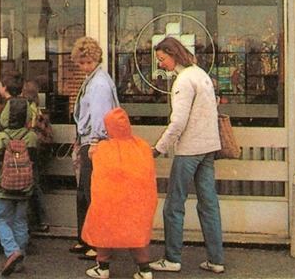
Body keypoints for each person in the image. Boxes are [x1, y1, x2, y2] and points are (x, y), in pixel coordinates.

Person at [149, 37, 225, 274]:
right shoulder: (200, 73)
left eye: (162, 59)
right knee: (208, 204)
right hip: (208, 147)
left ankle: (172, 258)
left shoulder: (182, 81)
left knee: (173, 205)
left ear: (173, 54)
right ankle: (216, 260)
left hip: (189, 150)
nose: (160, 65)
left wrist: (158, 148)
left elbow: (178, 122)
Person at [82, 107, 157, 279]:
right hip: (135, 203)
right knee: (135, 233)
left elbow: (97, 169)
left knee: (104, 228)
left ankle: (103, 267)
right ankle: (144, 269)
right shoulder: (142, 146)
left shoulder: (103, 148)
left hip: (110, 202)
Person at [70, 37, 119, 260]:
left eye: (84, 63)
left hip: (94, 142)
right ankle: (86, 238)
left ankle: (94, 241)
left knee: (90, 193)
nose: (81, 67)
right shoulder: (96, 79)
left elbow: (100, 116)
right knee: (85, 191)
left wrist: (95, 141)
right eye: (80, 63)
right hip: (88, 139)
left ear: (92, 59)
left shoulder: (98, 83)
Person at [0, 97, 39, 276]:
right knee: (20, 222)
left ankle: (11, 250)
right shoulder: (31, 137)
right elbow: (35, 162)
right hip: (25, 187)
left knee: (0, 219)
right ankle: (19, 258)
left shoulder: (1, 138)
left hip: (4, 187)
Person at [21, 80, 51, 233]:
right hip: (38, 151)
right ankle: (42, 220)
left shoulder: (25, 110)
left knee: (26, 185)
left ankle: (32, 220)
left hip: (27, 149)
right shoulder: (38, 111)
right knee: (36, 184)